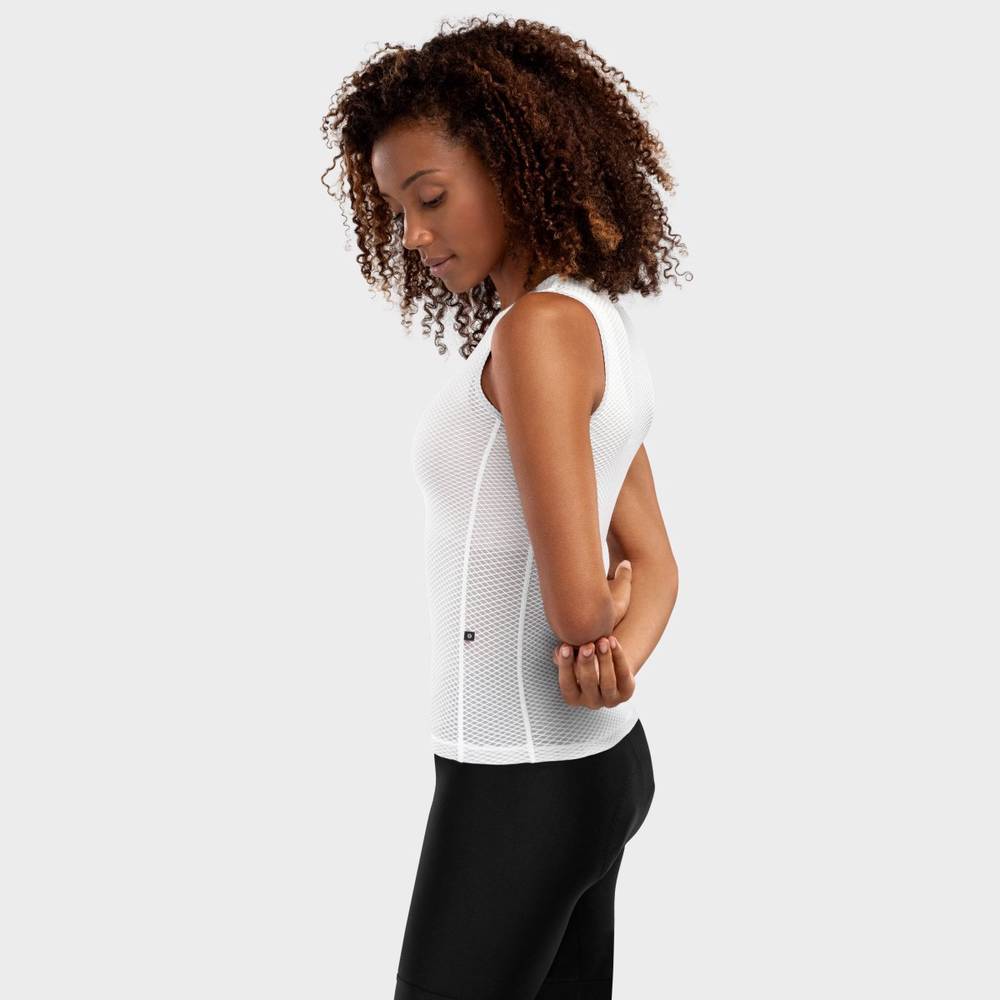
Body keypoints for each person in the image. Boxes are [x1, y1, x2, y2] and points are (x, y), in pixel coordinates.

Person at [320, 15, 690, 999]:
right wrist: (614, 660)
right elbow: (654, 563)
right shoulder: (592, 320)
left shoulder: (537, 334)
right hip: (596, 765)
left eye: (430, 197)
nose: (413, 235)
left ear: (513, 165)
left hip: (516, 781)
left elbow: (579, 606)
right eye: (397, 209)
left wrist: (599, 632)